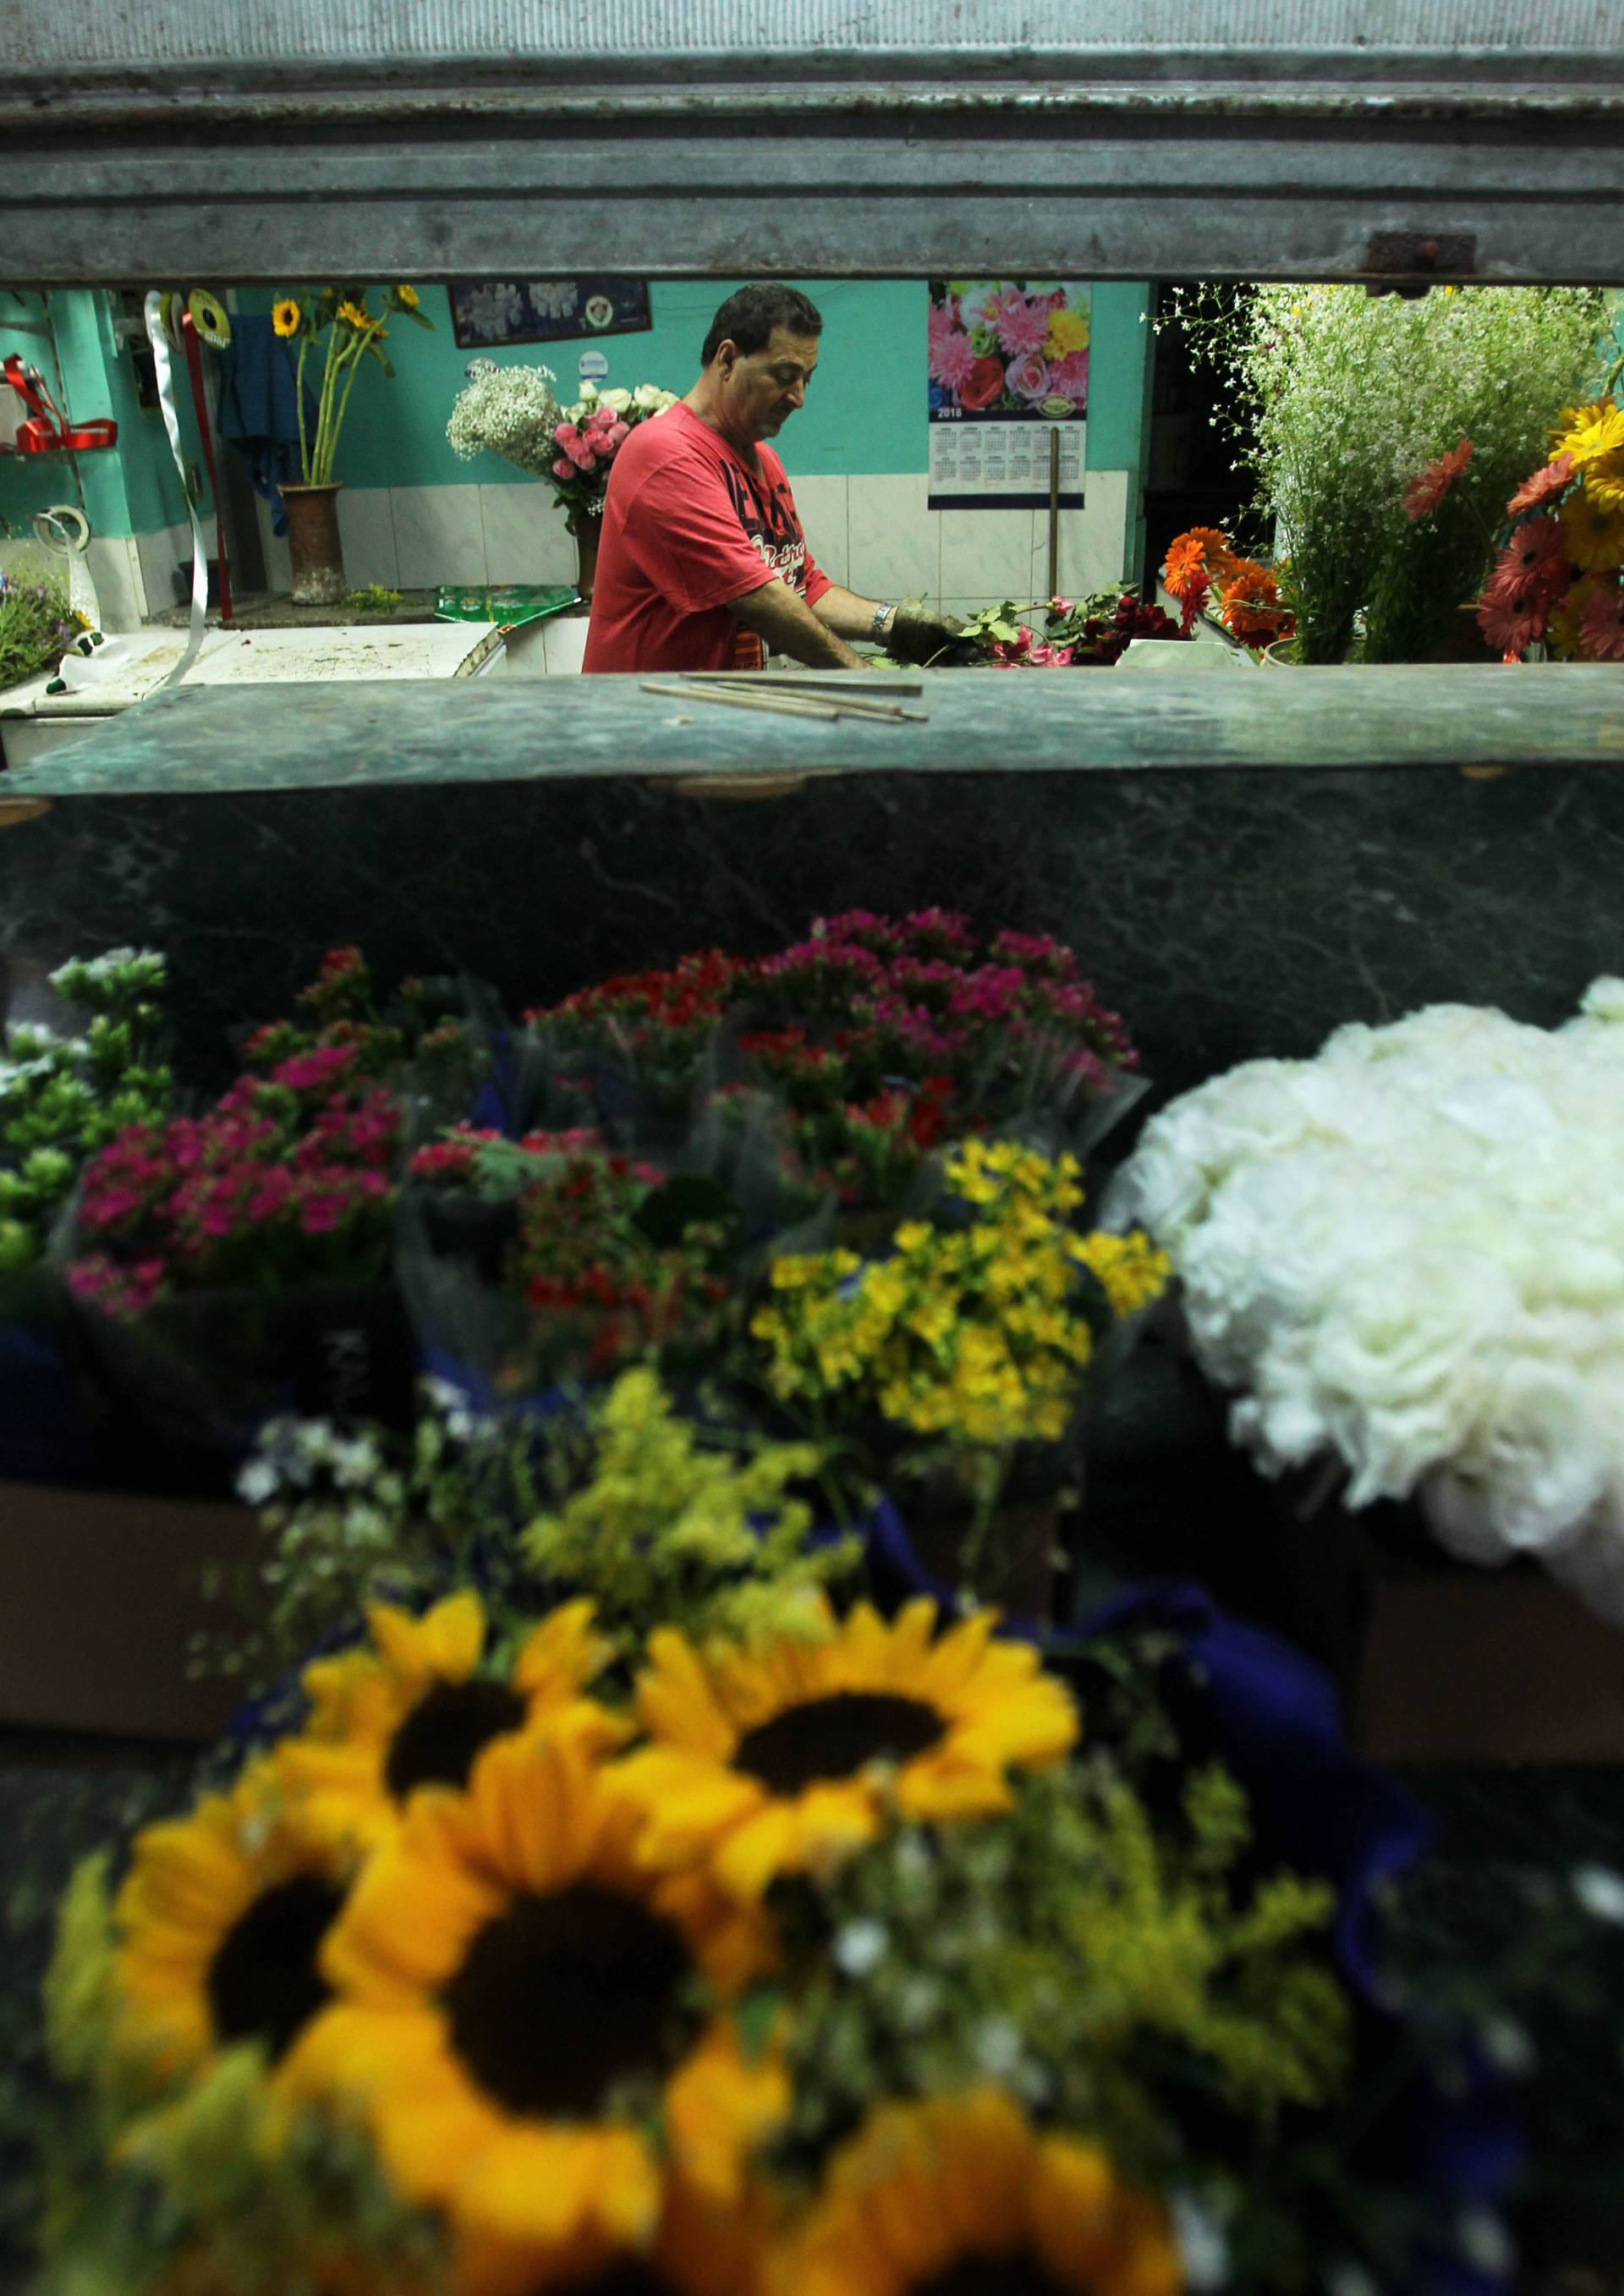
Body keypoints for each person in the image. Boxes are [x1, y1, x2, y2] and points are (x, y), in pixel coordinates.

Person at [582, 283, 963, 674]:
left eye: (806, 380)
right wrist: (866, 678)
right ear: (728, 359)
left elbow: (802, 584)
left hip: (714, 705)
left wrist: (894, 624)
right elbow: (758, 597)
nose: (799, 397)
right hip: (647, 709)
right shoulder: (666, 453)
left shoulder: (764, 460)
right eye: (784, 376)